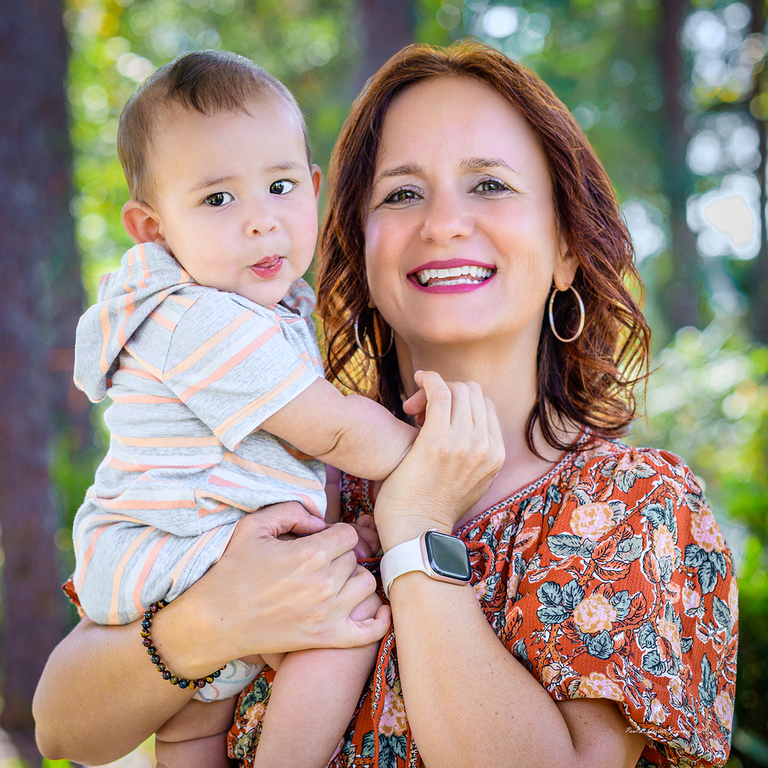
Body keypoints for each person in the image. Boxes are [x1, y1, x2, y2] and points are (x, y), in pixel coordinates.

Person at [33, 40, 737, 768]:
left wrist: (417, 526)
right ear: (360, 250)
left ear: (566, 248)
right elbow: (62, 729)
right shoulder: (286, 467)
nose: (443, 223)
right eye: (401, 194)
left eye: (490, 185)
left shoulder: (637, 504)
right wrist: (216, 619)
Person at [67, 49, 425, 768]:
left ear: (314, 190)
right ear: (153, 228)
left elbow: (288, 457)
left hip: (179, 543)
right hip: (176, 544)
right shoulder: (202, 319)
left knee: (197, 721)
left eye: (280, 186)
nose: (261, 221)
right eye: (218, 200)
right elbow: (329, 429)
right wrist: (426, 453)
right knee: (344, 623)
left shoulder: (255, 309)